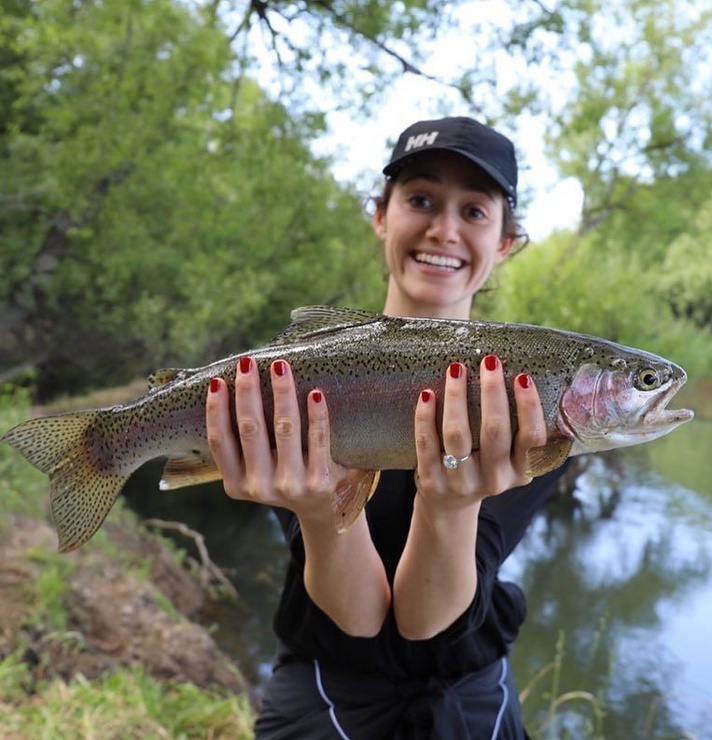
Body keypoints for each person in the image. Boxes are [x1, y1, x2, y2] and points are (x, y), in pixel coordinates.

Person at [205, 116, 566, 739]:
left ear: (506, 241)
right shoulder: (297, 378)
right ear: (381, 215)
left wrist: (451, 510)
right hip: (326, 678)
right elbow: (359, 617)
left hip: (469, 692)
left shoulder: (527, 395)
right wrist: (320, 512)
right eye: (421, 200)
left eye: (474, 212)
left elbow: (425, 622)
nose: (443, 229)